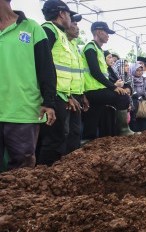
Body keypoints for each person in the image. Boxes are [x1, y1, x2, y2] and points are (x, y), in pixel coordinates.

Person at [0, 0, 56, 170]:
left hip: (22, 110)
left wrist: (49, 102)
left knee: (22, 168)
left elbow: (46, 67)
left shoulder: (32, 28)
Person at [38, 0, 78, 166]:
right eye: (69, 14)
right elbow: (42, 65)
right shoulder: (48, 30)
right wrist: (49, 99)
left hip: (60, 94)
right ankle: (45, 175)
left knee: (59, 137)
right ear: (62, 14)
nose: (70, 19)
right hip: (51, 95)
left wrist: (67, 95)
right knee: (53, 139)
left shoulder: (60, 34)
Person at [81, 21, 132, 140]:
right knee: (122, 97)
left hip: (98, 89)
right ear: (98, 32)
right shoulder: (90, 47)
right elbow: (95, 72)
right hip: (93, 90)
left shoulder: (99, 50)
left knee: (92, 121)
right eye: (106, 33)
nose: (108, 36)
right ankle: (123, 130)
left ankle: (88, 142)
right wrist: (113, 87)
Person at [65, 13, 89, 154]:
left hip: (77, 94)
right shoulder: (61, 44)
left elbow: (78, 73)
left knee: (75, 131)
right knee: (64, 132)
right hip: (66, 95)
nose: (77, 27)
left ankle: (73, 161)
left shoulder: (75, 46)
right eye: (73, 23)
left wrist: (83, 95)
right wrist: (67, 95)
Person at [130, 63, 146, 132]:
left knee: (144, 124)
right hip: (134, 104)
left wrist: (144, 94)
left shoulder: (144, 79)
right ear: (133, 70)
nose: (139, 72)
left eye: (141, 70)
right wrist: (137, 95)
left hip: (144, 103)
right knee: (134, 123)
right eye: (137, 70)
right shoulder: (130, 80)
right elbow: (130, 90)